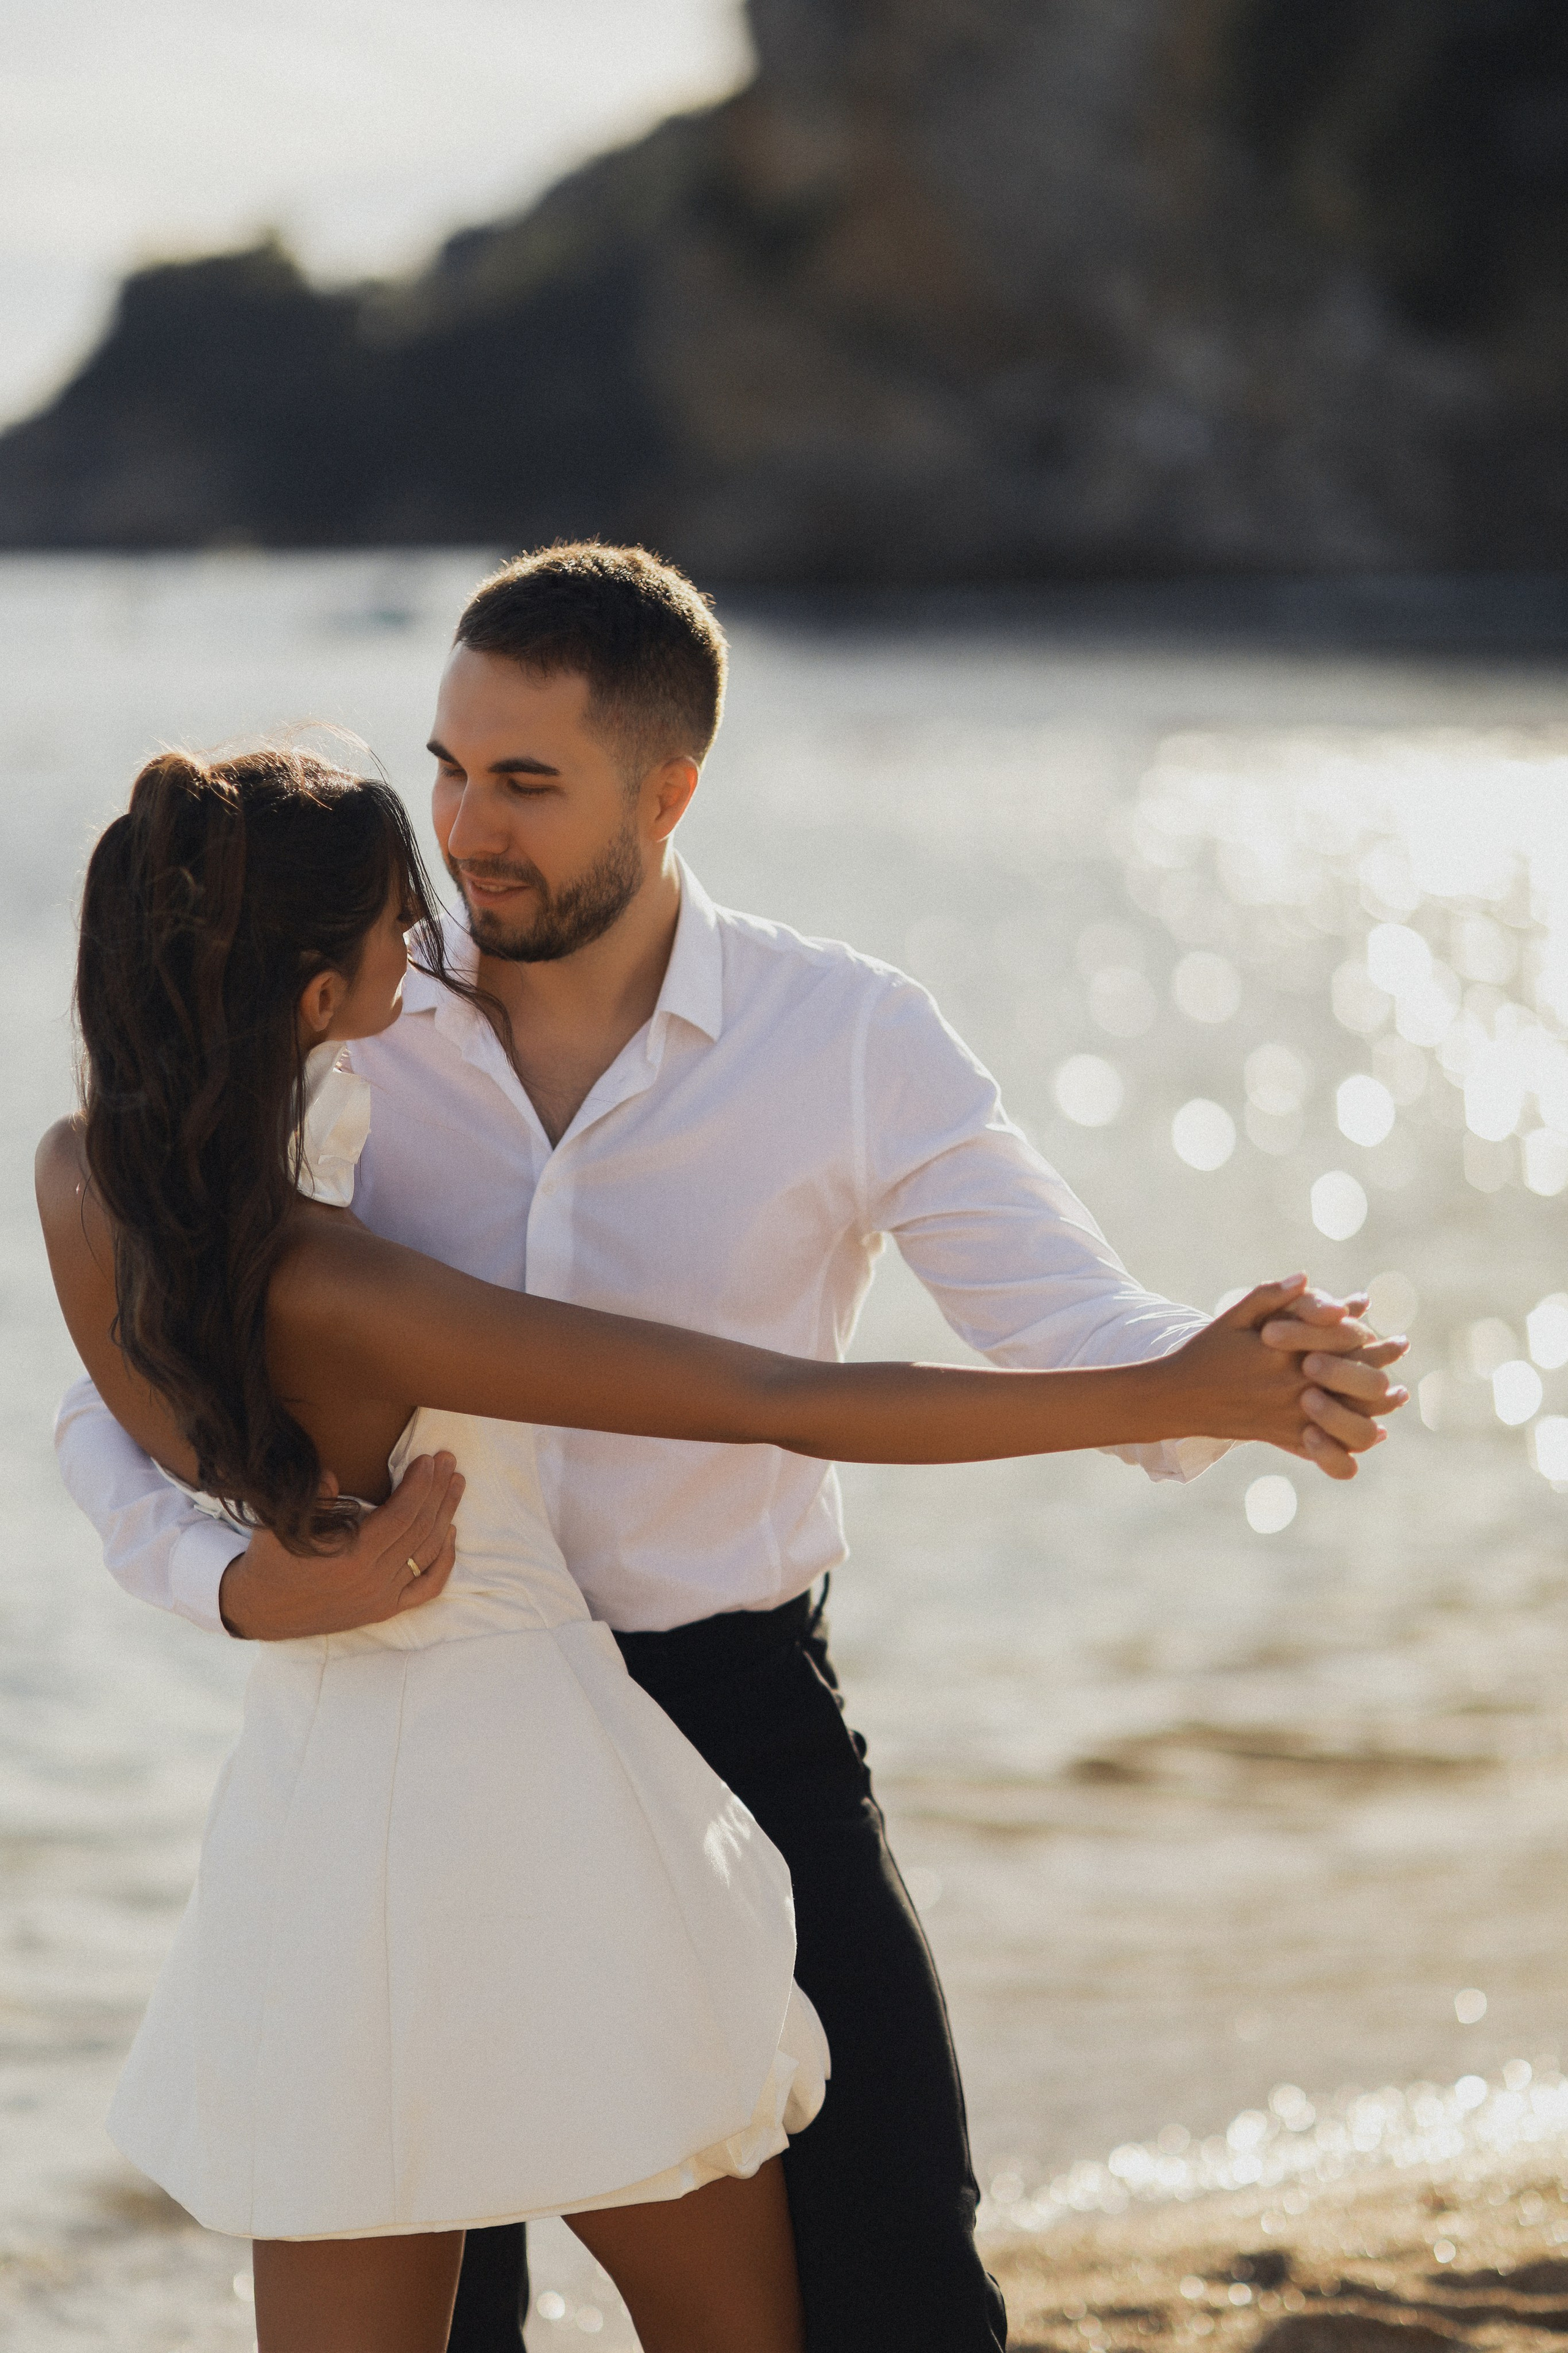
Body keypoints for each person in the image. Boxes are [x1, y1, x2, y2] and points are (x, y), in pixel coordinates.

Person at [50, 548, 1408, 2353]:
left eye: (524, 783)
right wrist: (243, 1581)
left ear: (670, 785)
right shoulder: (355, 1017)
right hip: (392, 1739)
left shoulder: (839, 1034)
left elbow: (1050, 1310)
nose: (465, 832)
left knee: (904, 2284)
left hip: (734, 1708)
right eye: (448, 768)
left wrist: (1206, 1371)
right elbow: (125, 1394)